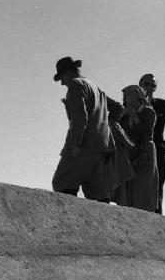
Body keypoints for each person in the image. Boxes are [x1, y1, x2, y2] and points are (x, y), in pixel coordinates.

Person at [52, 57, 124, 202]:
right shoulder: (96, 88)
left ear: (69, 72)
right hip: (102, 145)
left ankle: (68, 220)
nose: (62, 82)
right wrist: (105, 124)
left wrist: (75, 143)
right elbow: (118, 108)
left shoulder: (75, 85)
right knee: (97, 190)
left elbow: (80, 117)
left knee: (63, 181)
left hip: (84, 143)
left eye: (62, 77)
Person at [113, 85, 159, 212]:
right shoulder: (125, 114)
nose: (125, 99)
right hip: (131, 154)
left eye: (127, 96)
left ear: (136, 96)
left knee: (143, 187)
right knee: (128, 189)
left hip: (146, 153)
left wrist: (136, 117)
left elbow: (147, 134)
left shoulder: (148, 112)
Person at [138, 73, 165, 214]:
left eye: (152, 85)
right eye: (146, 84)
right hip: (137, 152)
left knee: (157, 188)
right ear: (140, 85)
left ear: (155, 88)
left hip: (157, 153)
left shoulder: (162, 105)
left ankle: (156, 219)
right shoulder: (131, 104)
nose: (148, 88)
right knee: (137, 186)